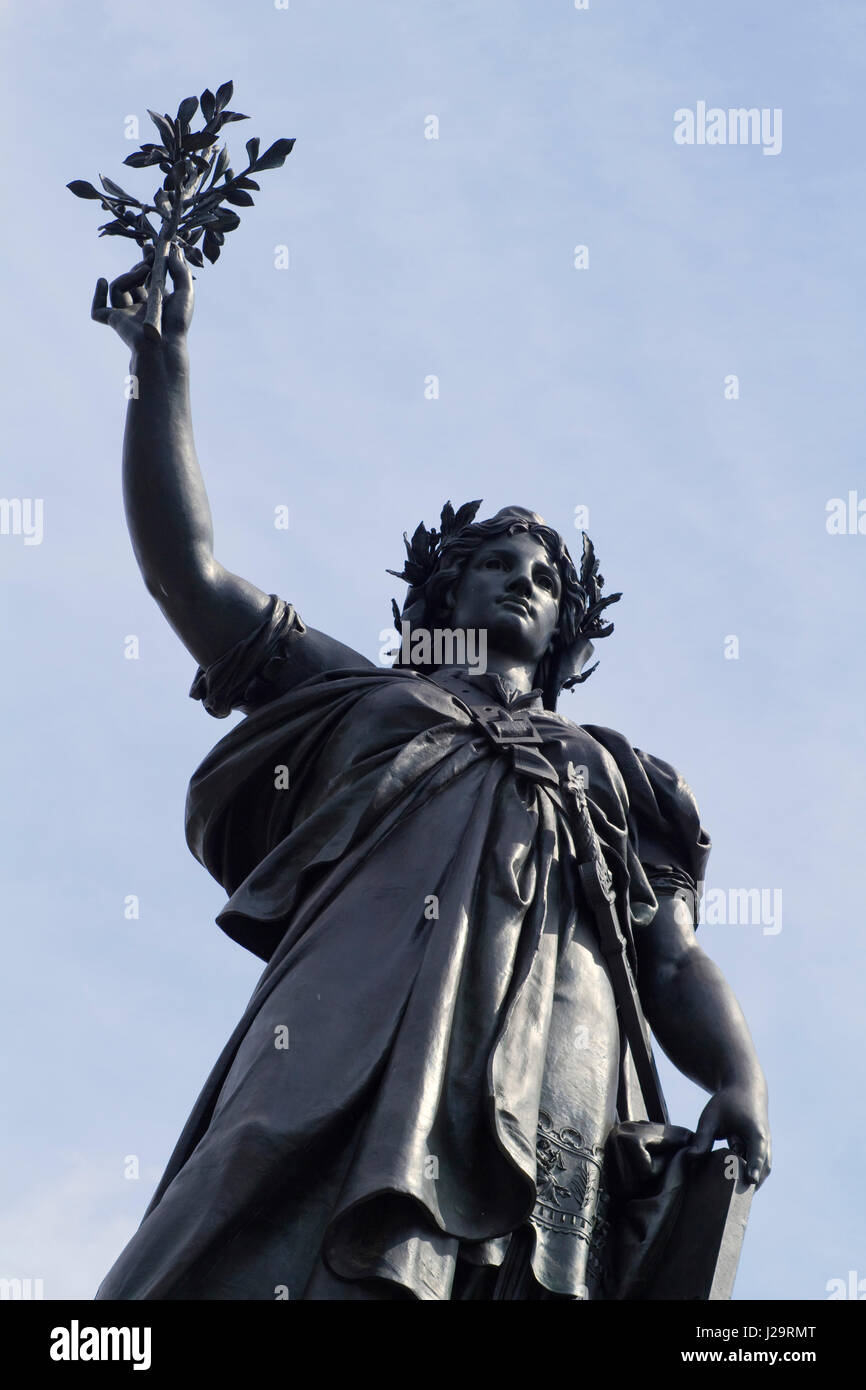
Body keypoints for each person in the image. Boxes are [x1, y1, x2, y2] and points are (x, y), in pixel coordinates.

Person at [91, 249, 771, 1301]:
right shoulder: (367, 693)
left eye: (543, 576)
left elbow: (669, 960)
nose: (521, 581)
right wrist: (159, 372)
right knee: (249, 1184)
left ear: (563, 630)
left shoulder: (616, 772)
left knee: (534, 1260)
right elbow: (188, 571)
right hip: (352, 1005)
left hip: (565, 1034)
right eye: (495, 562)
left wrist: (735, 1076)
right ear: (441, 593)